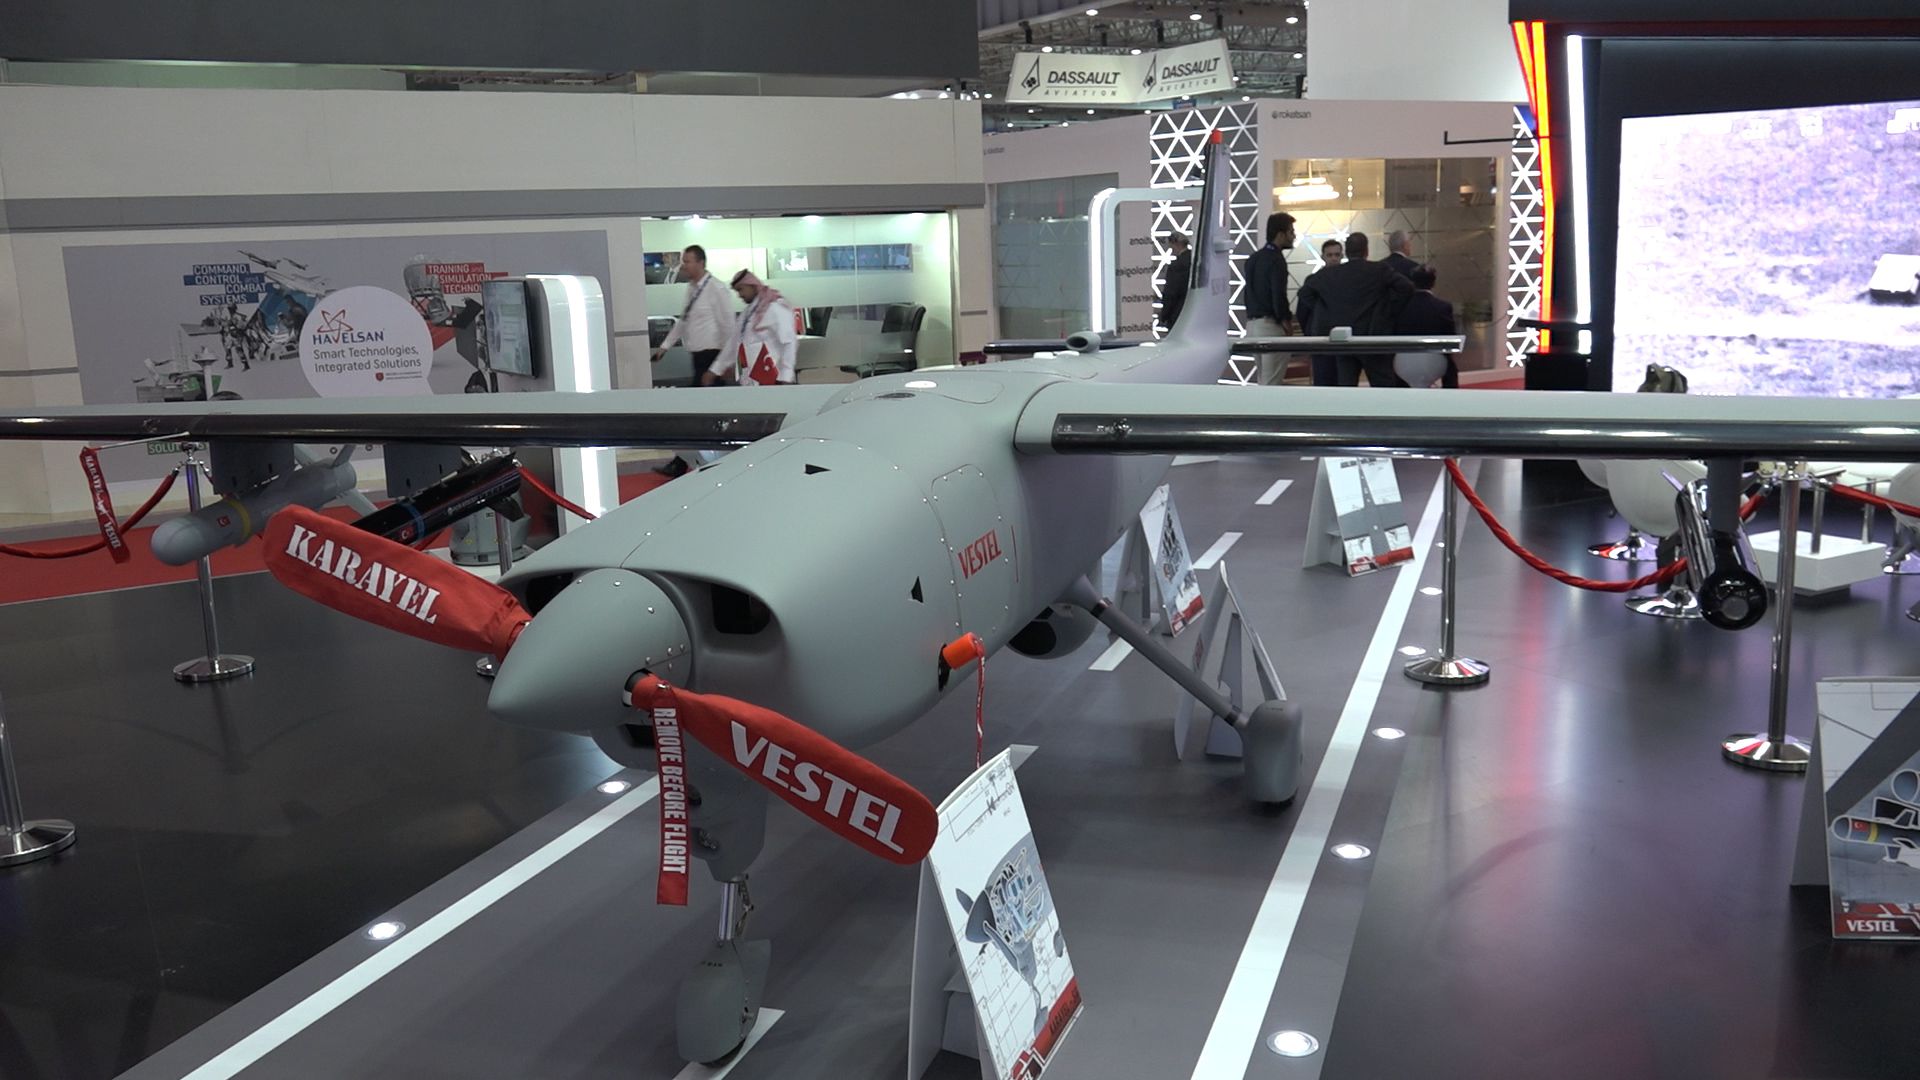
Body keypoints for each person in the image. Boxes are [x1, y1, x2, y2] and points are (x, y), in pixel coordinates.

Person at [1294, 232, 1416, 388]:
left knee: (1346, 386)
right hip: (1373, 337)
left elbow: (1304, 293)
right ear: (1366, 251)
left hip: (1344, 340)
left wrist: (1329, 309)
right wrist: (1388, 310)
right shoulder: (1378, 270)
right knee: (1383, 385)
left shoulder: (1330, 274)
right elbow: (1406, 288)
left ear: (1346, 252)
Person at [703, 270, 798, 387]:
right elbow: (733, 343)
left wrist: (786, 376)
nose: (739, 295)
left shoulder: (775, 307)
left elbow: (789, 342)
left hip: (773, 378)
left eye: (741, 289)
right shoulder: (747, 313)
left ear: (752, 285)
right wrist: (715, 370)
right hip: (751, 380)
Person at [654, 245, 732, 379]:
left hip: (712, 358)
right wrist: (664, 347)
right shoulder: (692, 288)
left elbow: (727, 327)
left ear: (701, 263)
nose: (683, 266)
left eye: (687, 262)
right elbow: (684, 321)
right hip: (697, 358)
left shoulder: (716, 288)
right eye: (683, 262)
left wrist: (724, 364)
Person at [1244, 212, 1298, 384]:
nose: (1294, 236)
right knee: (1271, 382)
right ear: (1280, 234)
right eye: (1291, 232)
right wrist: (1285, 321)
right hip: (1270, 326)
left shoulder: (1253, 258)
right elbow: (1278, 294)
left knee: (1263, 379)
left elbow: (1249, 292)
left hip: (1252, 326)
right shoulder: (1276, 259)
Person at [1394, 265, 1460, 388]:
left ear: (1413, 282)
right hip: (1434, 358)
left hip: (1403, 358)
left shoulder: (1400, 306)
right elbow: (1449, 335)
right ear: (1433, 283)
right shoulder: (1443, 307)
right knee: (1451, 368)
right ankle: (1451, 394)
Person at [1158, 234, 1192, 333]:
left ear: (1176, 244)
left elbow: (1171, 293)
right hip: (1194, 313)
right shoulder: (1197, 261)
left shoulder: (1176, 266)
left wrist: (1164, 315)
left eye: (1171, 246)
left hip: (1177, 314)